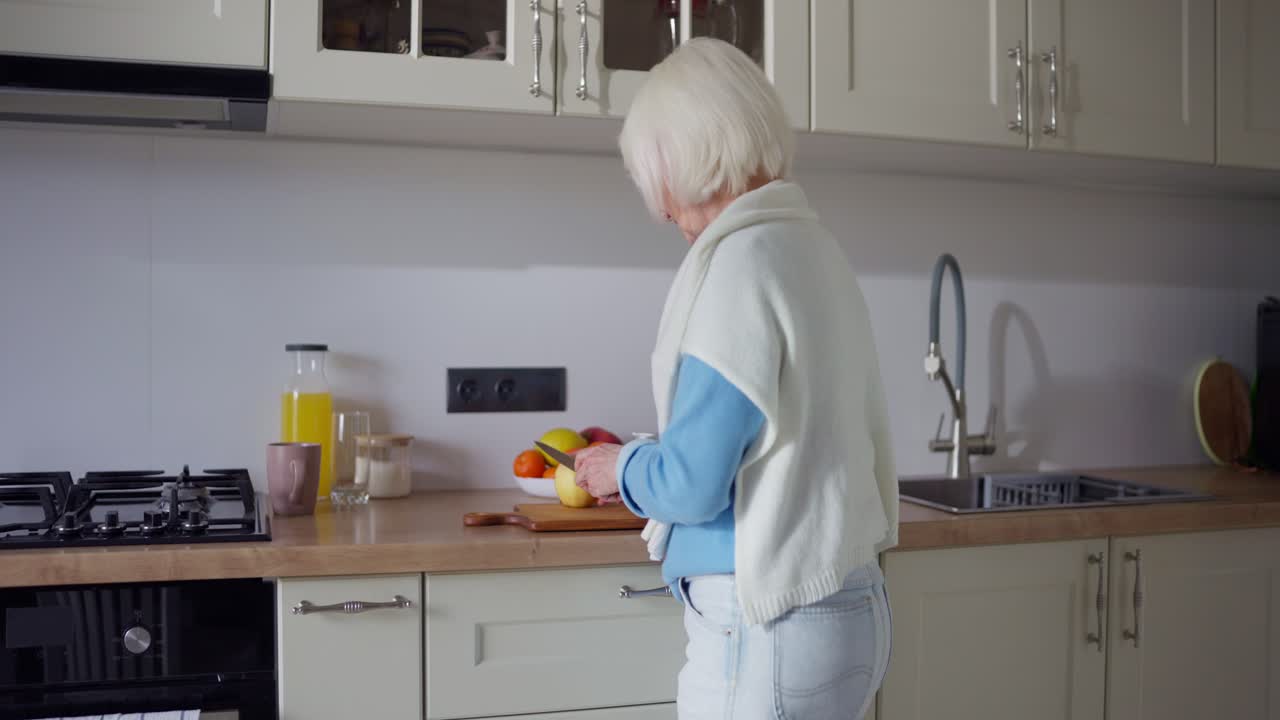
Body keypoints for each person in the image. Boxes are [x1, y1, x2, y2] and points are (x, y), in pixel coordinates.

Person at [571, 38, 900, 720]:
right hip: (852, 607)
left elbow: (692, 484)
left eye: (656, 184)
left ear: (687, 159)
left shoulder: (737, 267)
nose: (663, 214)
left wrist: (619, 468)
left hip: (768, 626)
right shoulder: (815, 249)